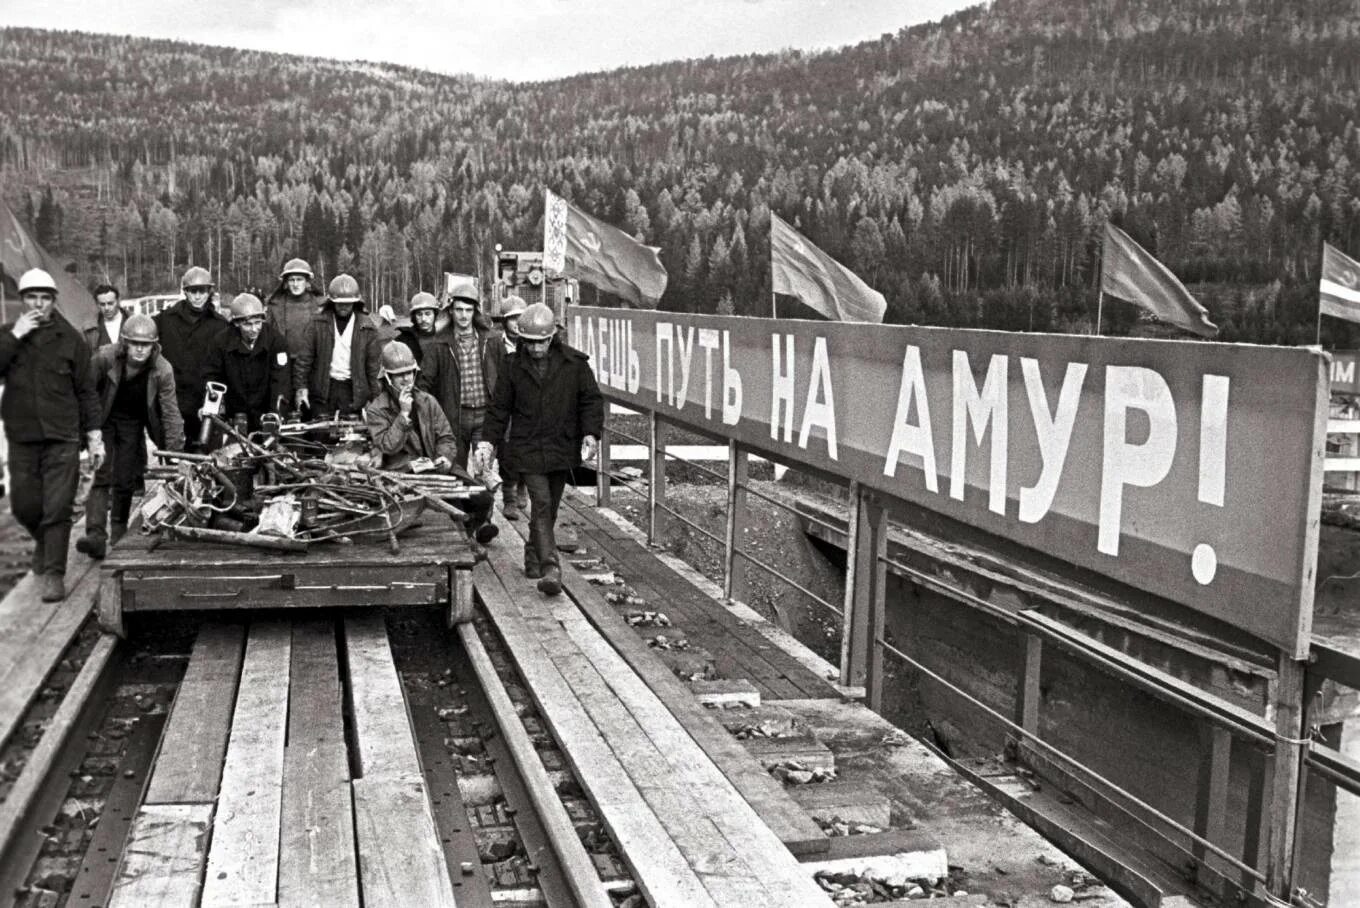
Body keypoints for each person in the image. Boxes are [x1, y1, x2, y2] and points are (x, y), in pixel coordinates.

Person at [478, 303, 602, 595]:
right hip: (528, 448)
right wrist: (488, 441)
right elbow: (499, 409)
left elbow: (591, 401)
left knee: (550, 510)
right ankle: (551, 568)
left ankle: (533, 556)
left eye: (540, 342)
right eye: (529, 342)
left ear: (552, 337)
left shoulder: (575, 365)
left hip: (561, 448)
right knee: (542, 504)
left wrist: (590, 434)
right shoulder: (512, 367)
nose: (535, 349)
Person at [0, 269, 103, 601]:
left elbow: (87, 391)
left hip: (63, 436)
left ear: (53, 301)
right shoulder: (8, 335)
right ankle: (44, 543)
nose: (38, 304)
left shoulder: (71, 339)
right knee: (25, 506)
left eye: (45, 298)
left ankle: (54, 573)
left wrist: (94, 435)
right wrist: (16, 335)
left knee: (57, 506)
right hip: (22, 436)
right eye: (32, 297)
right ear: (23, 300)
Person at [365, 341, 498, 545]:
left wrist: (444, 458)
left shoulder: (428, 401)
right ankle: (465, 543)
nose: (406, 379)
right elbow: (387, 446)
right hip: (404, 474)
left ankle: (471, 532)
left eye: (409, 373)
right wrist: (403, 414)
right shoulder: (377, 409)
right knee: (452, 504)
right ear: (388, 378)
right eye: (399, 375)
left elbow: (446, 437)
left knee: (482, 498)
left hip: (438, 469)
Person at [76, 314, 184, 558]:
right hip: (104, 418)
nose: (139, 349)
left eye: (145, 345)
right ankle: (95, 535)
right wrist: (83, 431)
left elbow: (170, 411)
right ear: (124, 343)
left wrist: (175, 451)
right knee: (100, 472)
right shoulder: (104, 358)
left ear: (154, 346)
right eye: (134, 343)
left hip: (133, 423)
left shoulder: (162, 369)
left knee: (125, 477)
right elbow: (84, 392)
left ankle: (118, 531)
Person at [154, 266, 231, 449]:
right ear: (185, 292)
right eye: (192, 291)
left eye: (202, 291)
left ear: (209, 292)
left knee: (210, 460)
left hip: (207, 401)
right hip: (175, 401)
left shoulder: (221, 325)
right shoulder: (164, 321)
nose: (197, 296)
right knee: (177, 460)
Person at [294, 273, 381, 418]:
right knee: (320, 433)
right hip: (323, 390)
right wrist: (301, 388)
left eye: (348, 302)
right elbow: (304, 360)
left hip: (353, 391)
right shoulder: (317, 323)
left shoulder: (367, 326)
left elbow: (373, 368)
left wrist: (376, 399)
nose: (343, 306)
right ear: (332, 301)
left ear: (355, 302)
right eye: (339, 302)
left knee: (352, 435)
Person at [206, 293, 292, 432]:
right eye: (247, 324)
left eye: (258, 323)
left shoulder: (276, 341)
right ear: (236, 323)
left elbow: (281, 382)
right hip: (234, 415)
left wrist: (276, 413)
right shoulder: (221, 343)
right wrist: (214, 407)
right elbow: (213, 377)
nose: (254, 329)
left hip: (265, 413)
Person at [441, 276, 500, 467]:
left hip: (484, 416)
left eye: (468, 310)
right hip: (455, 417)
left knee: (484, 469)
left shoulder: (491, 341)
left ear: (475, 312)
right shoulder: (441, 343)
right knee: (456, 471)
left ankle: (485, 497)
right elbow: (428, 382)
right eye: (459, 310)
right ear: (451, 311)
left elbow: (504, 379)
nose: (464, 316)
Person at [491, 295, 529, 520]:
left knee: (527, 446)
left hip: (526, 405)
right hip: (505, 404)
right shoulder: (496, 344)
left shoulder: (532, 341)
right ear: (505, 322)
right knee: (506, 451)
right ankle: (509, 498)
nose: (516, 323)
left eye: (520, 318)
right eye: (511, 319)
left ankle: (523, 485)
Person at [264, 258, 323, 363]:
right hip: (282, 361)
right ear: (286, 283)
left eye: (299, 279)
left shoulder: (320, 306)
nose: (295, 284)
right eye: (292, 280)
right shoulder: (274, 306)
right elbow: (267, 336)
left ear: (307, 282)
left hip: (312, 362)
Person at [89, 283, 130, 349]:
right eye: (102, 304)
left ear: (118, 301)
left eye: (110, 303)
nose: (106, 308)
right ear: (97, 304)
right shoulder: (91, 330)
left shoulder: (134, 321)